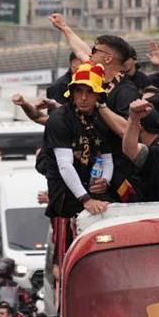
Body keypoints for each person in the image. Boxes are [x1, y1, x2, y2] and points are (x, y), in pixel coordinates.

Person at [41, 61, 113, 220]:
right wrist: (86, 199)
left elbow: (107, 158)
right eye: (79, 91)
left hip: (92, 187)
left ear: (98, 95)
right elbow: (65, 165)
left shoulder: (102, 118)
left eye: (90, 91)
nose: (84, 97)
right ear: (72, 93)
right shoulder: (59, 119)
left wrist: (105, 180)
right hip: (65, 194)